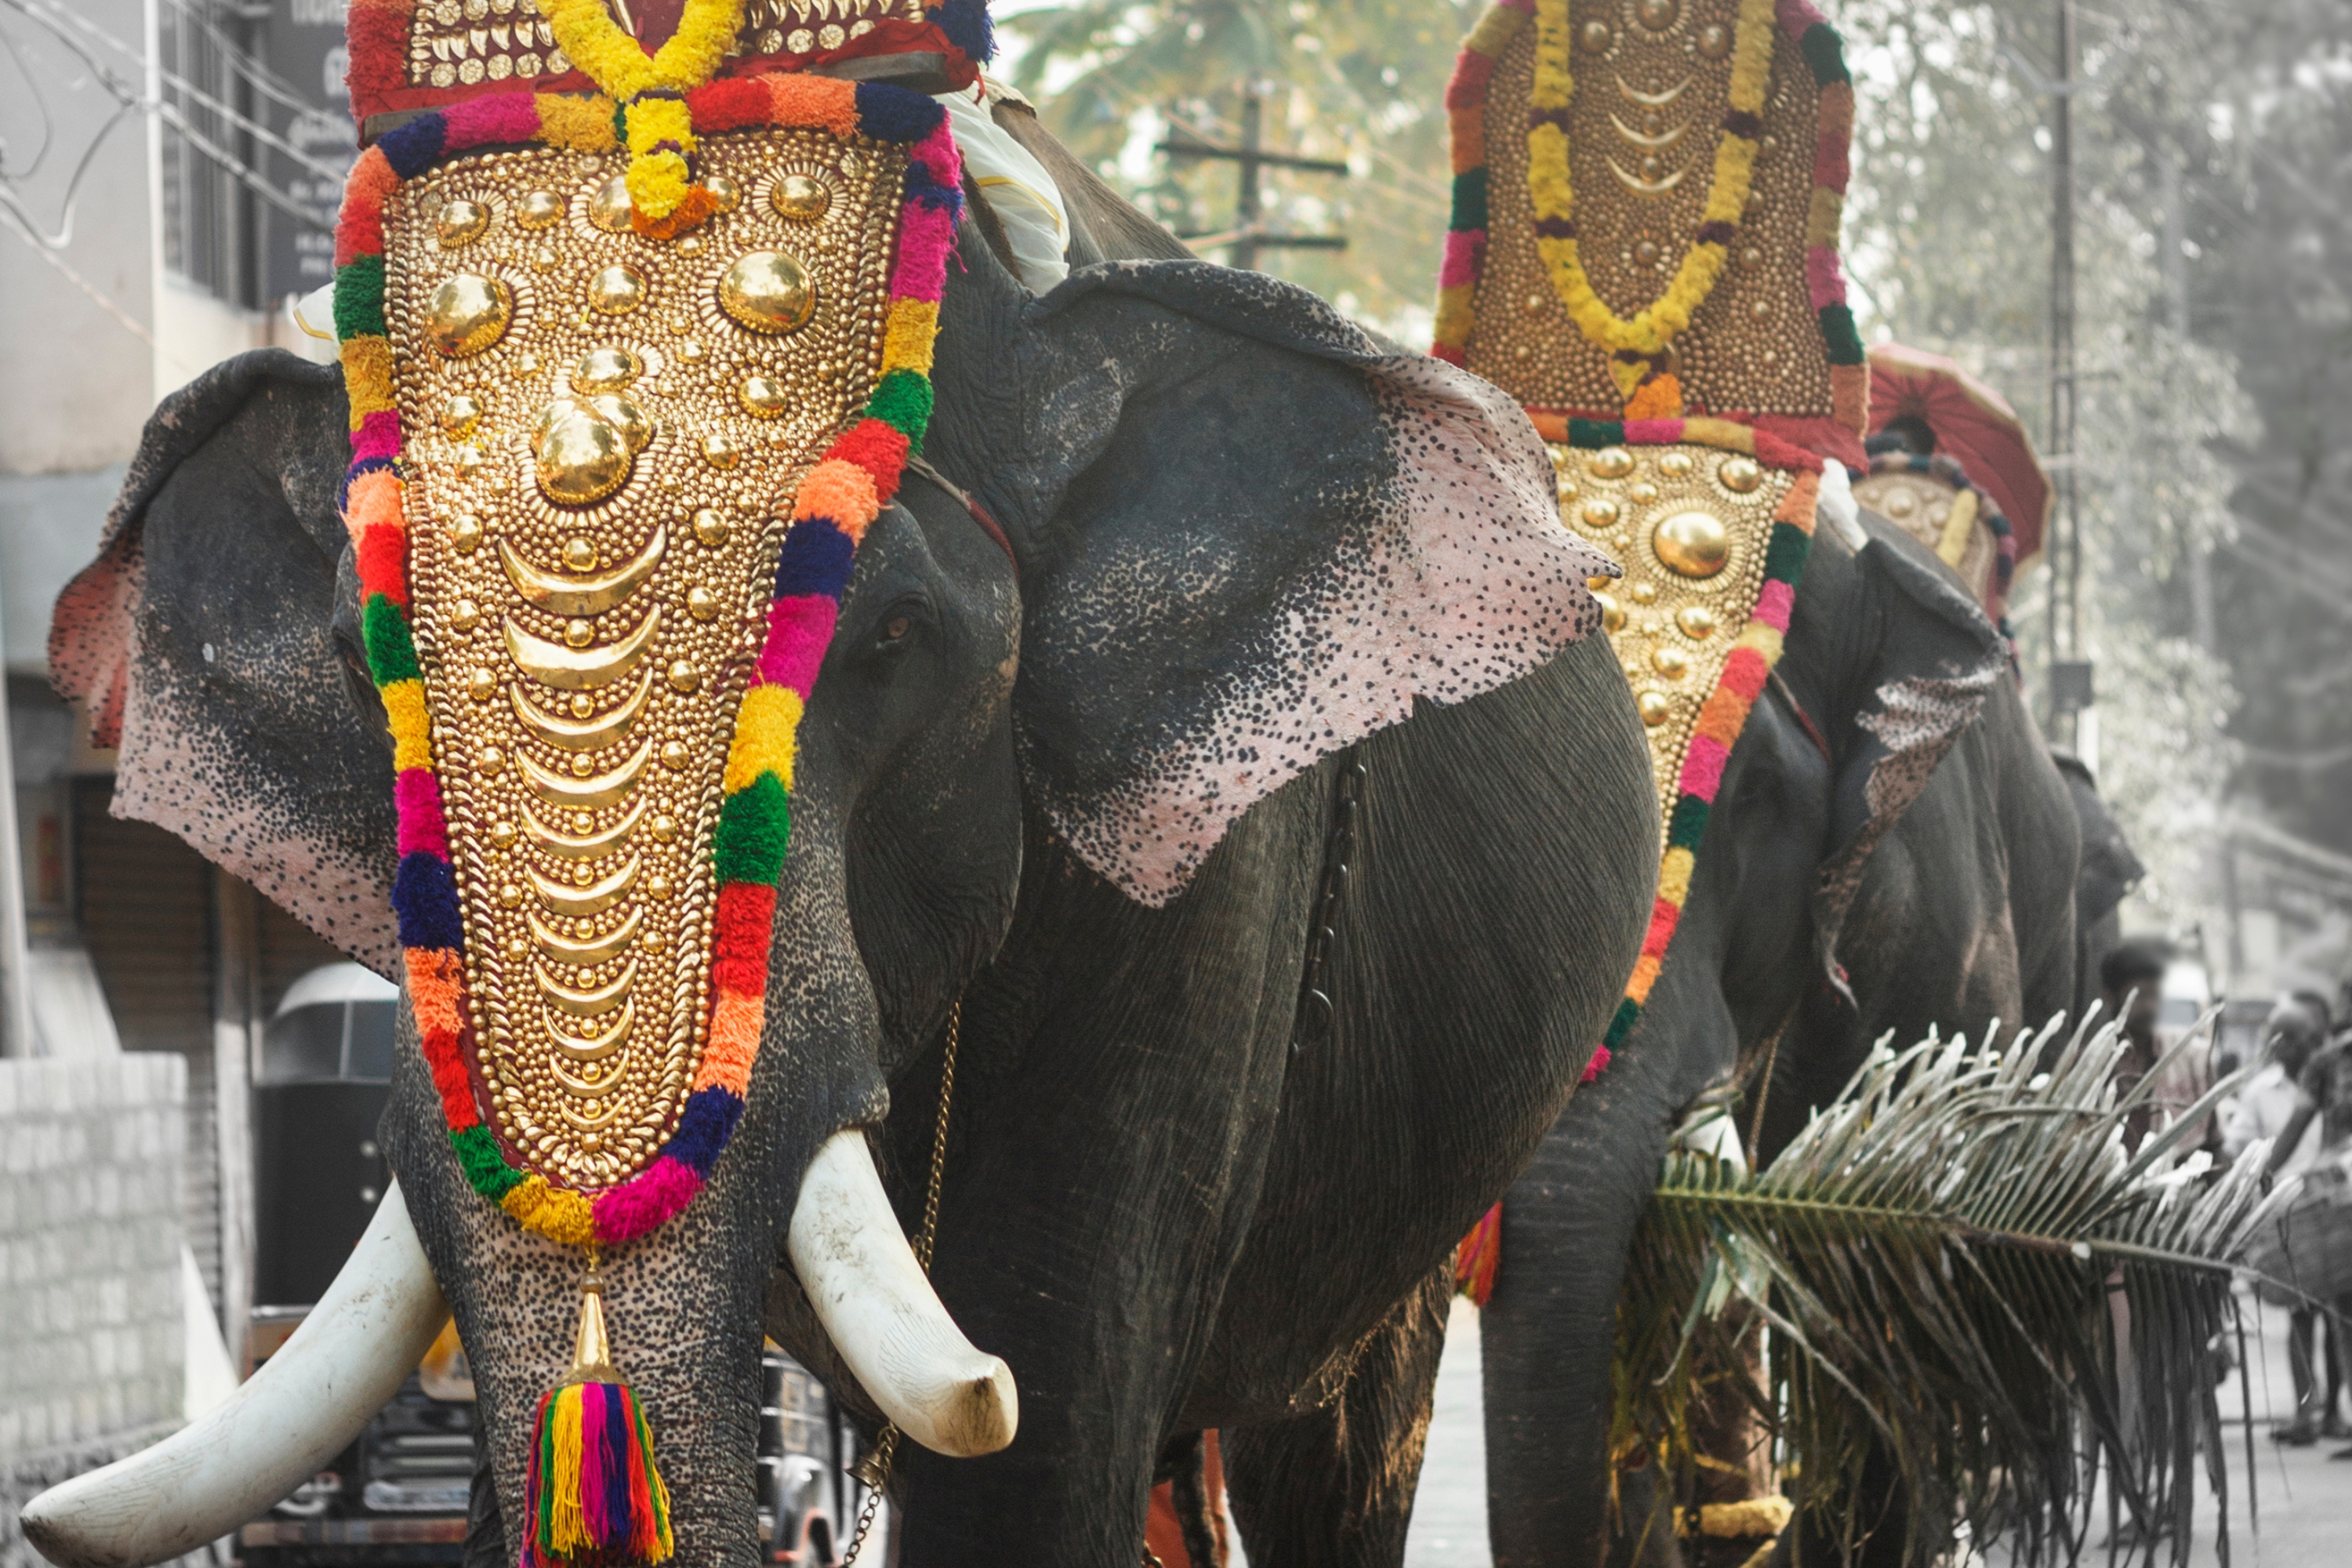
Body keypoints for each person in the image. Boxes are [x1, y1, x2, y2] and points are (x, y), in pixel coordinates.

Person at [2227, 996, 2344, 1443]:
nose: (2279, 1046)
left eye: (2289, 1037)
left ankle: (2335, 1410)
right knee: (2298, 1312)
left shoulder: (2333, 1075)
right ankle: (2306, 1411)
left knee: (2336, 1310)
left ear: (2312, 1039)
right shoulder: (2261, 1092)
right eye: (2274, 1037)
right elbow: (2243, 1144)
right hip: (2287, 1213)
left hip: (2334, 1208)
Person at [2100, 940, 2172, 1149]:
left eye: (2155, 995)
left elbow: (2214, 1144)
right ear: (2110, 998)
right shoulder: (2085, 1067)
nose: (2150, 1006)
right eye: (2140, 996)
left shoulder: (2186, 1060)